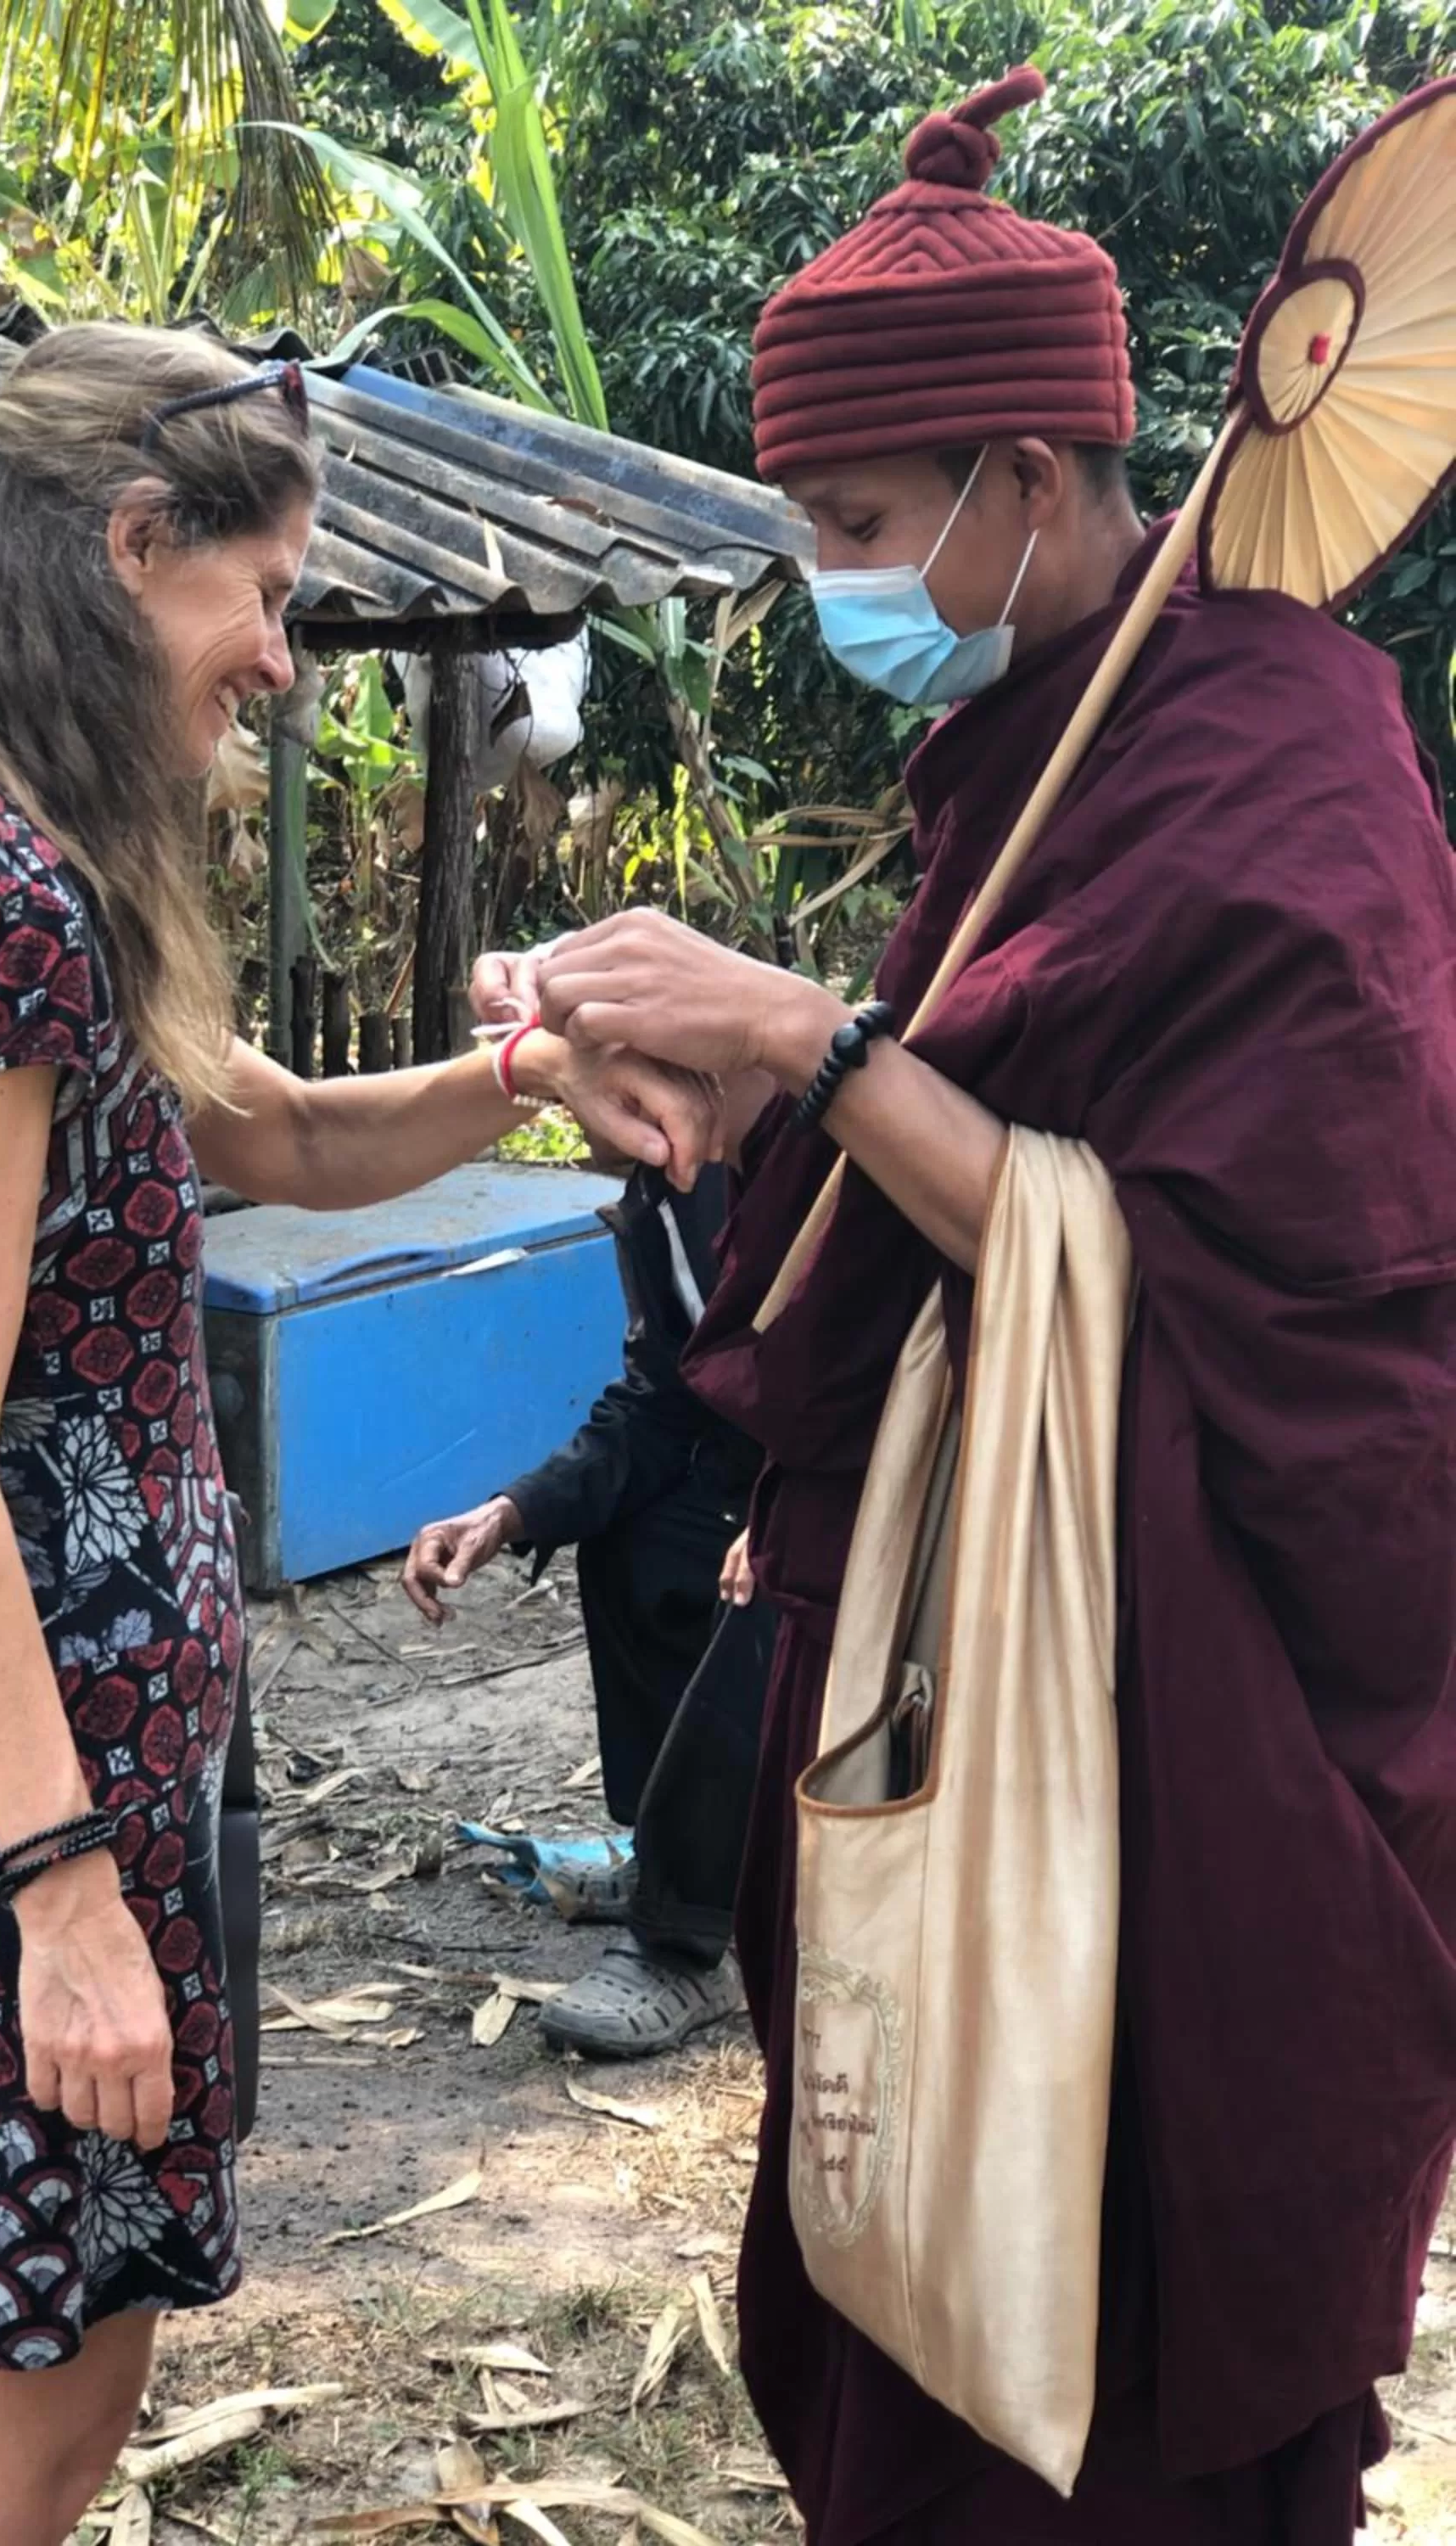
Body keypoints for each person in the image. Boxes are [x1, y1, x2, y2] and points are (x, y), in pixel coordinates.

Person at [475, 64, 1456, 2546]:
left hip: (1161, 1713)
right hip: (942, 1648)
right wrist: (720, 1113)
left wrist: (811, 1038)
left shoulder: (1280, 750)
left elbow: (1289, 1284)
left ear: (1034, 480)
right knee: (919, 2304)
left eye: (857, 528)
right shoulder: (1034, 748)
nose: (834, 582)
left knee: (1113, 2342)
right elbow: (956, 1162)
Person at [0, 325, 716, 2546]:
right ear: (127, 549)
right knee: (45, 2422)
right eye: (265, 594)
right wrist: (67, 1896)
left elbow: (275, 1135)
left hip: (55, 1755)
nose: (280, 660)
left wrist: (529, 1075)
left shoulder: (8, 873)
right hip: (34, 1790)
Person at [402, 1160, 772, 2056]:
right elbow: (658, 1403)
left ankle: (694, 1943)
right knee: (631, 1540)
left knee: (762, 1588)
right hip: (762, 1479)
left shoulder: (809, 1152)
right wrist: (512, 1510)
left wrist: (790, 1507)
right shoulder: (662, 1196)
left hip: (871, 1488)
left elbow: (895, 1377)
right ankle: (679, 1857)